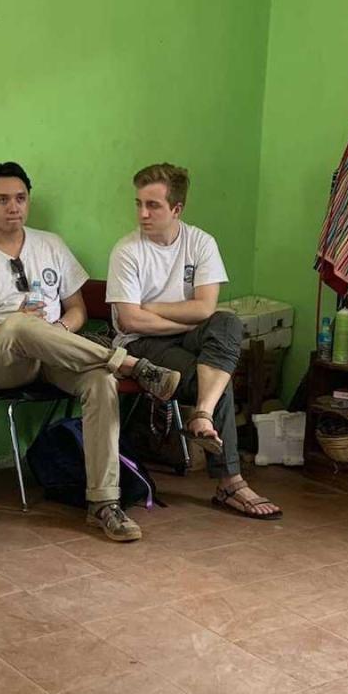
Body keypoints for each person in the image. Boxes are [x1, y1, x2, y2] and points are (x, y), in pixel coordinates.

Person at [0, 162, 182, 543]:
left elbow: (79, 310)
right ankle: (131, 364)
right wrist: (14, 326)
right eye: (2, 200)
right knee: (19, 324)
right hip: (3, 363)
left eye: (20, 198)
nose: (13, 207)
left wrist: (59, 329)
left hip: (57, 354)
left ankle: (104, 504)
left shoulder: (50, 244)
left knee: (101, 381)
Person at [107, 163, 282, 521]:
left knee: (228, 323)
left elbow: (207, 308)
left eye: (153, 205)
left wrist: (153, 306)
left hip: (188, 336)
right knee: (216, 376)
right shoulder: (127, 251)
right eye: (138, 203)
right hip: (141, 342)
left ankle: (202, 414)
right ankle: (231, 482)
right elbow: (129, 319)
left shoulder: (200, 242)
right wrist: (178, 317)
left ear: (177, 209)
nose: (142, 213)